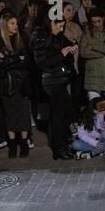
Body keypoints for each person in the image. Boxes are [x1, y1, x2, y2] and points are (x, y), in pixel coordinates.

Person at [31, 13, 78, 160]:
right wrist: (61, 54)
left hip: (61, 78)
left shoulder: (58, 36)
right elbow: (42, 63)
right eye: (59, 25)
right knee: (59, 114)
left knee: (64, 112)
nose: (61, 28)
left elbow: (63, 55)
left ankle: (62, 144)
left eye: (63, 25)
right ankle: (58, 148)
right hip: (51, 81)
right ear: (51, 23)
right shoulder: (41, 37)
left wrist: (70, 50)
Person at [0, 13, 31, 158]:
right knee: (10, 114)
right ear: (5, 25)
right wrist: (15, 60)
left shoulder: (22, 40)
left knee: (23, 114)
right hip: (6, 83)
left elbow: (26, 60)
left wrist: (10, 60)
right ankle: (13, 145)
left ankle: (25, 143)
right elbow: (0, 63)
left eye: (16, 23)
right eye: (12, 23)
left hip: (22, 83)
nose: (16, 26)